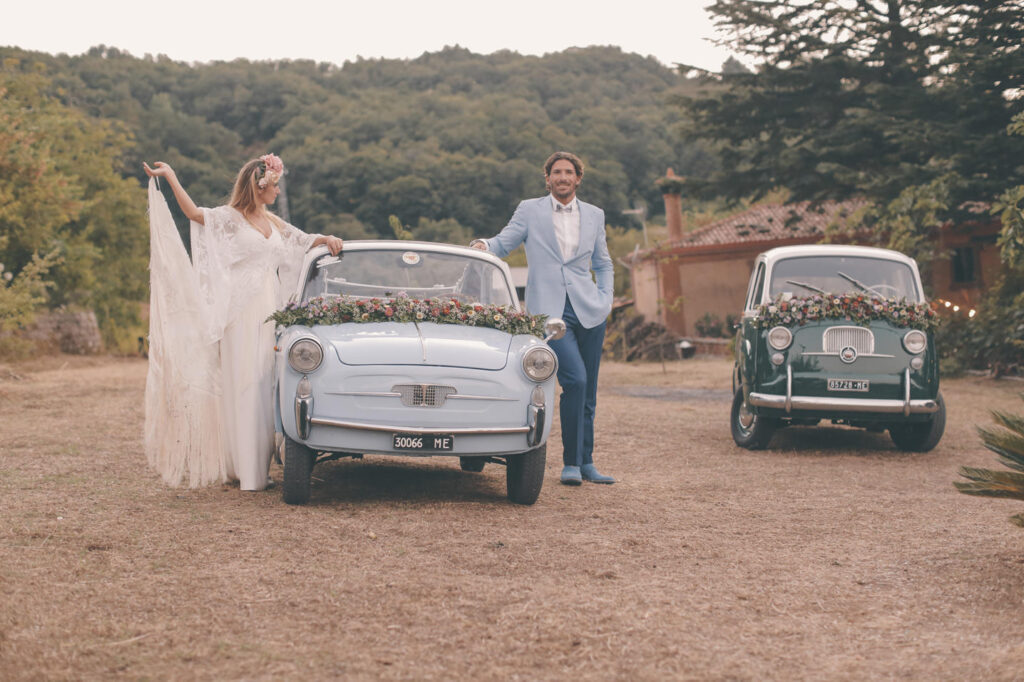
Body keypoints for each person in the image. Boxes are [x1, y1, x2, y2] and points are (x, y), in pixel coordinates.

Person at [143, 155, 343, 491]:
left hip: (269, 310)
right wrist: (172, 176)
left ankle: (253, 465)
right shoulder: (230, 219)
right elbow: (194, 214)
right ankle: (246, 470)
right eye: (275, 186)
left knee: (267, 384)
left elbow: (304, 239)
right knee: (246, 385)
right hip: (242, 312)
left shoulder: (274, 222)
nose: (278, 192)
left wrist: (327, 239)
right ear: (259, 186)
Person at [471, 151, 615, 485]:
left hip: (590, 309)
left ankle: (587, 462)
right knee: (575, 380)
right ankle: (570, 465)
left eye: (569, 172)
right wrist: (482, 244)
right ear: (547, 178)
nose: (563, 178)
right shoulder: (529, 210)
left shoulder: (595, 215)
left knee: (589, 390)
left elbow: (603, 262)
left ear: (578, 178)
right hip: (550, 314)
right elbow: (503, 243)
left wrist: (606, 298)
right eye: (556, 173)